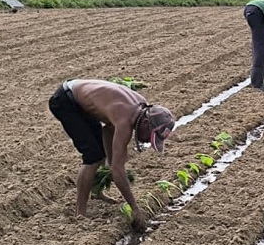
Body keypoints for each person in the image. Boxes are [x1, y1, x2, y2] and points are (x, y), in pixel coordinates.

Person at [49, 79, 175, 232]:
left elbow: (108, 128)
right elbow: (118, 170)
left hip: (78, 99)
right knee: (92, 157)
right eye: (150, 136)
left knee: (100, 153)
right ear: (145, 124)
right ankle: (79, 213)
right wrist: (134, 208)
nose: (148, 140)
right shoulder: (125, 120)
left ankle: (97, 192)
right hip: (65, 101)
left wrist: (110, 159)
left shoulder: (140, 107)